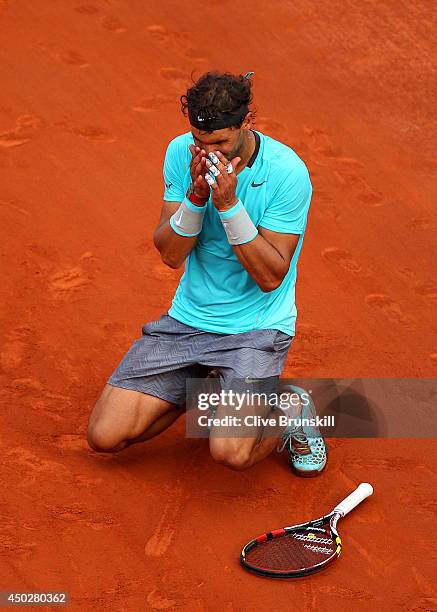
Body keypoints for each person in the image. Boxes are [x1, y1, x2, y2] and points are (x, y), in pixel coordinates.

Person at [87, 71, 327, 475]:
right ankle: (211, 388)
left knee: (230, 453)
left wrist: (230, 205)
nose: (207, 152)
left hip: (256, 330)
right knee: (105, 437)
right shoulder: (182, 152)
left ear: (246, 123)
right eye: (200, 142)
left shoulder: (287, 172)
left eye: (218, 142)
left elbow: (270, 276)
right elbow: (170, 253)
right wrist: (196, 196)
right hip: (188, 322)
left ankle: (290, 409)